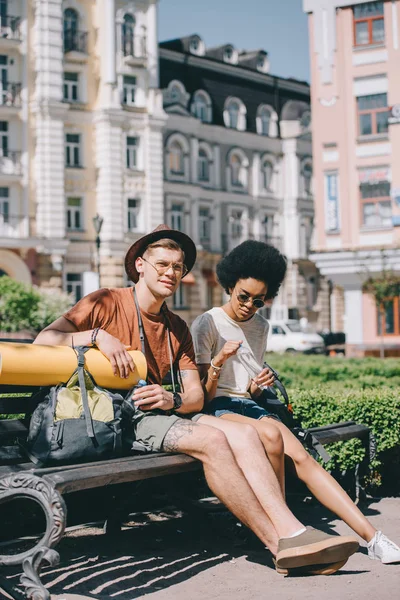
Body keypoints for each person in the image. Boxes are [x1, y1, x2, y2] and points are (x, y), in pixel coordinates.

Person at [34, 225, 359, 575]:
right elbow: (43, 340)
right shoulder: (106, 301)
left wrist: (169, 398)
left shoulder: (176, 326)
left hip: (158, 413)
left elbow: (193, 397)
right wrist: (97, 337)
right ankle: (277, 544)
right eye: (162, 264)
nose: (171, 273)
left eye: (177, 267)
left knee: (248, 435)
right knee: (214, 440)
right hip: (117, 419)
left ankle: (293, 531)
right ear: (140, 265)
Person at [190, 239, 400, 566]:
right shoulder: (207, 323)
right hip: (217, 410)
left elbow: (249, 390)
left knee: (303, 457)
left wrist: (259, 386)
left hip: (249, 407)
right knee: (272, 435)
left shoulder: (261, 326)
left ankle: (373, 538)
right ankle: (286, 533)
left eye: (258, 301)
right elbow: (203, 395)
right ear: (229, 286)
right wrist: (218, 360)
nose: (249, 306)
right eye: (243, 296)